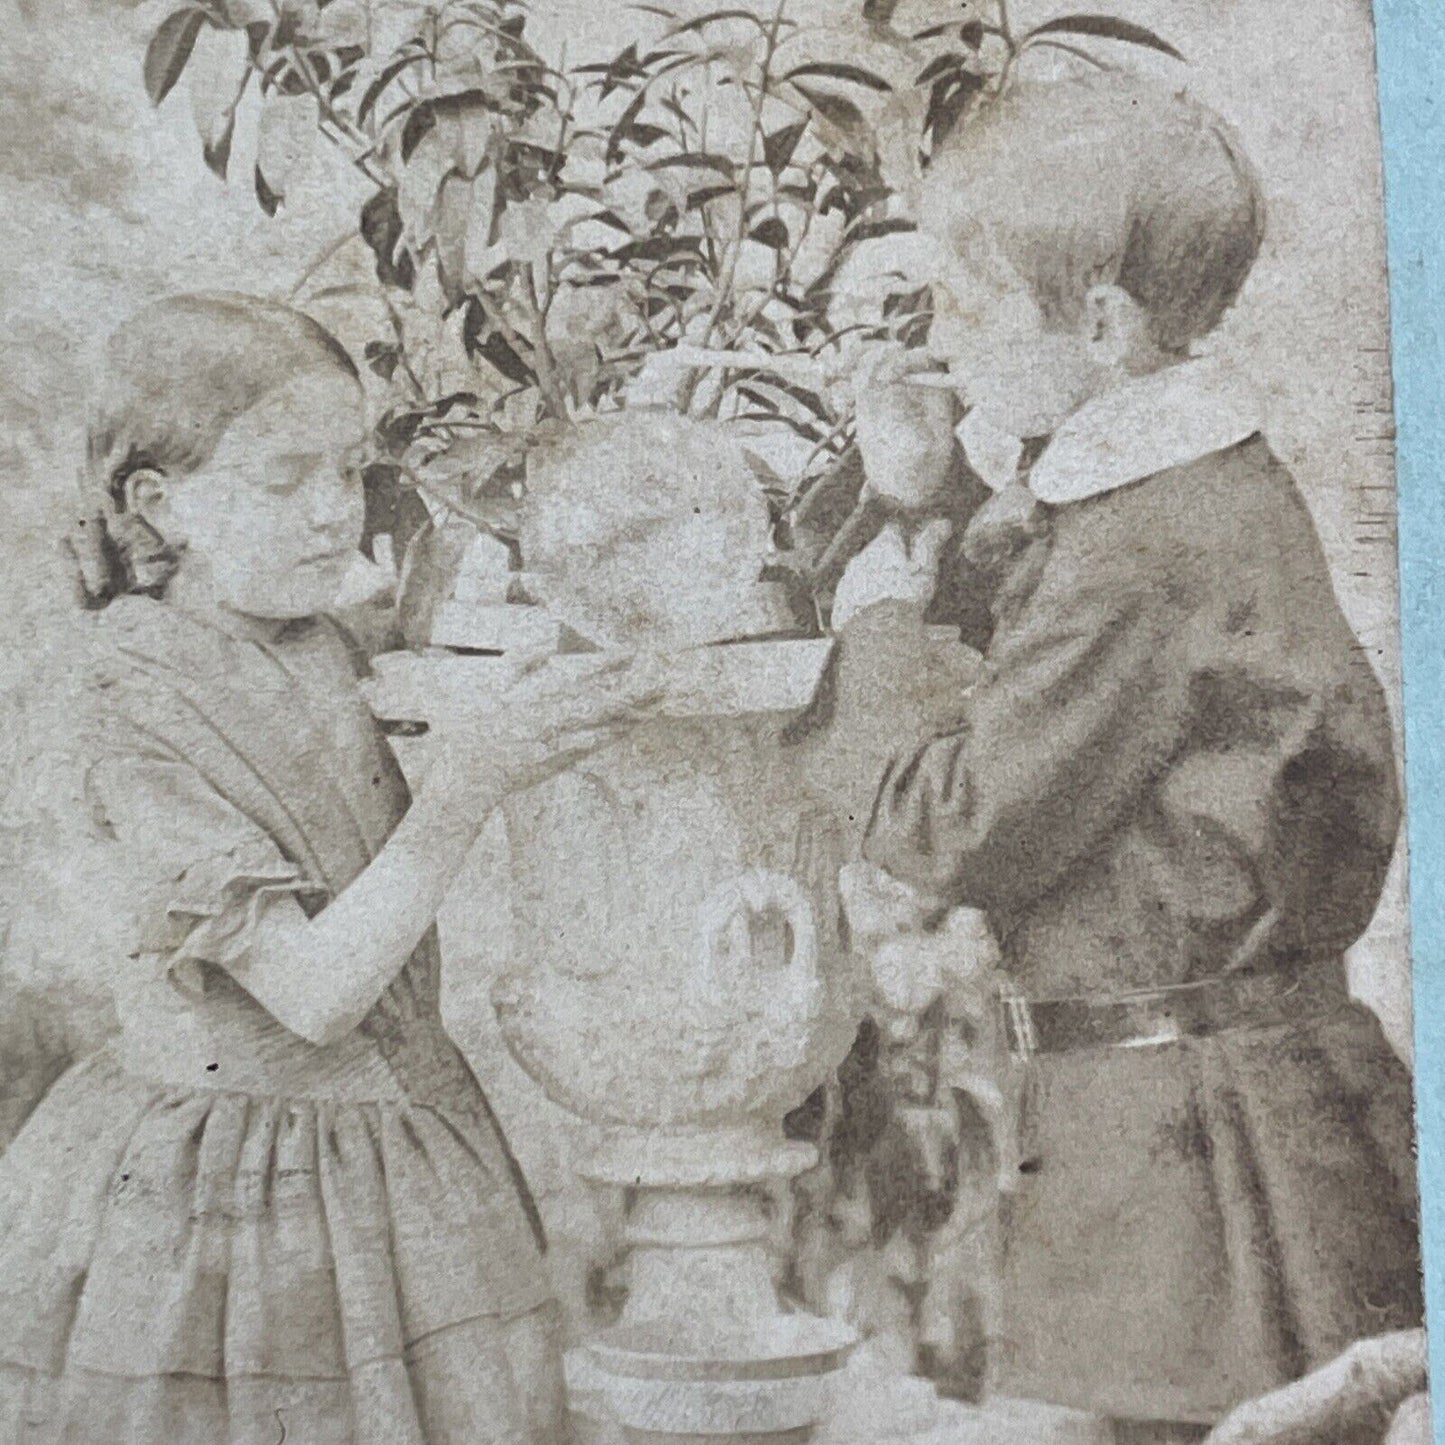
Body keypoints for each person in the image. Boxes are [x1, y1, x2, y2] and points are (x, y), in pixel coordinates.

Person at [826, 72, 1423, 1443]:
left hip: (1199, 1157)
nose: (942, 349)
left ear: (1098, 323)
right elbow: (1073, 685)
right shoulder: (1180, 493)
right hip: (1225, 1107)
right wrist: (925, 496)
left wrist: (876, 629)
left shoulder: (1138, 550)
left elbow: (962, 822)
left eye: (965, 311)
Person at [0, 294, 656, 1444]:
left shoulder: (331, 637)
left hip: (407, 1156)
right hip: (228, 1201)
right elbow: (312, 994)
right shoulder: (121, 702)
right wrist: (469, 780)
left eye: (346, 473)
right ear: (161, 502)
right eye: (280, 478)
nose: (328, 516)